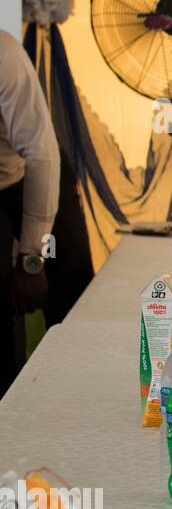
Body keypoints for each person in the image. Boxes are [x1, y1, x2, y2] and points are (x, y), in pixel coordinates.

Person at [0, 30, 59, 395]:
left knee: (67, 288)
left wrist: (31, 258)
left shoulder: (4, 55)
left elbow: (42, 155)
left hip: (24, 178)